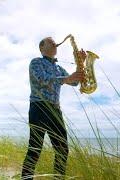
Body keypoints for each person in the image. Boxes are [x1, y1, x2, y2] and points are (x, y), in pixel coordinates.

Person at [21, 36, 86, 179]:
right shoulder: (36, 62)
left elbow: (74, 83)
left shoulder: (59, 68)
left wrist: (80, 64)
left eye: (53, 41)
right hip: (39, 107)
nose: (54, 42)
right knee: (35, 149)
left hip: (55, 110)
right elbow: (41, 79)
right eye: (49, 40)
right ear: (41, 47)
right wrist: (65, 79)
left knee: (63, 149)